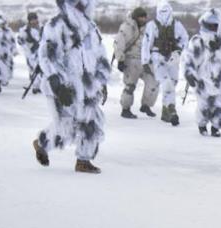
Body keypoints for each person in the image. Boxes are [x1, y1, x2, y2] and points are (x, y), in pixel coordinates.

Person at [31, 0, 110, 174]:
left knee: (92, 122)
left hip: (88, 85)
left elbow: (100, 55)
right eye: (77, 4)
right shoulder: (56, 26)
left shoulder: (91, 28)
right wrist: (58, 85)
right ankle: (42, 143)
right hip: (66, 85)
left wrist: (102, 81)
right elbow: (46, 57)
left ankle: (83, 160)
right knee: (65, 127)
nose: (81, 7)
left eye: (84, 4)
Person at [182, 8, 221, 137]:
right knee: (204, 104)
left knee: (220, 104)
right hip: (202, 79)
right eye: (210, 25)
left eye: (215, 26)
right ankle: (202, 124)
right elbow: (188, 59)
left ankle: (216, 126)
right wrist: (189, 73)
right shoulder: (197, 41)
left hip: (220, 80)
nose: (212, 28)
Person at [141, 0, 188, 126]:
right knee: (167, 83)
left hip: (173, 58)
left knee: (173, 82)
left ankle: (165, 111)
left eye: (166, 11)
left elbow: (185, 39)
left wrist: (178, 51)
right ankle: (172, 110)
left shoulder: (176, 24)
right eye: (161, 11)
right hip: (158, 58)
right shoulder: (152, 25)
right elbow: (146, 44)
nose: (164, 14)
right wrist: (145, 61)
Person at [114, 7, 159, 119]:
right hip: (130, 60)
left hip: (145, 61)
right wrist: (120, 59)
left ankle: (146, 105)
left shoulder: (149, 28)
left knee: (153, 82)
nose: (143, 19)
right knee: (130, 86)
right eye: (141, 17)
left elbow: (153, 43)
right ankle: (125, 109)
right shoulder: (126, 27)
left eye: (144, 17)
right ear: (135, 17)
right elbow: (118, 43)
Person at [17, 12, 43, 95]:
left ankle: (41, 85)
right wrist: (25, 44)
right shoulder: (25, 30)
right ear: (29, 21)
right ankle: (35, 86)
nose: (34, 21)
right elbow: (20, 40)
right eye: (32, 20)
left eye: (35, 19)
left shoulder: (42, 28)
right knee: (33, 69)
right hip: (30, 53)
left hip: (41, 52)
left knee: (42, 69)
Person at [0, 13, 16, 87]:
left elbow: (13, 41)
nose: (2, 25)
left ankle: (4, 80)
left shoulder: (8, 31)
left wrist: (14, 50)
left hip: (8, 54)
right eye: (1, 24)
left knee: (9, 71)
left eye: (3, 23)